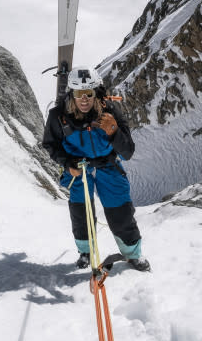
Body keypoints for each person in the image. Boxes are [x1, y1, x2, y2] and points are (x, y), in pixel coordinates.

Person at [43, 66, 150, 271]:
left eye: (89, 94)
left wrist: (113, 131)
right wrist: (67, 164)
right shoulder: (58, 116)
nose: (84, 99)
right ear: (72, 94)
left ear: (96, 92)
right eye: (79, 94)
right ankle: (85, 252)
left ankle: (133, 254)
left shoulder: (110, 111)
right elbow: (50, 144)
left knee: (121, 213)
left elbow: (127, 151)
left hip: (107, 166)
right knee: (80, 214)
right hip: (78, 168)